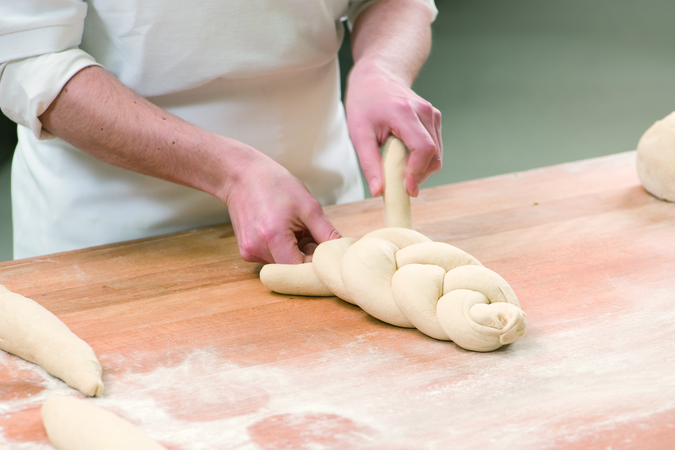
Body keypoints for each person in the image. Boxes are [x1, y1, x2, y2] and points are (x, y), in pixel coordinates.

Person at [0, 0, 442, 263]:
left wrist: (381, 66)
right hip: (117, 246)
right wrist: (230, 173)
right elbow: (30, 60)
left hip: (320, 224)